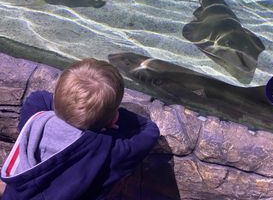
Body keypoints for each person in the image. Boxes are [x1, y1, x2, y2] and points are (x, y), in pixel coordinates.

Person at [0, 58, 160, 200]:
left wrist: (68, 106)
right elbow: (149, 130)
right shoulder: (110, 152)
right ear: (113, 118)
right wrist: (110, 115)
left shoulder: (35, 119)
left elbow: (39, 96)